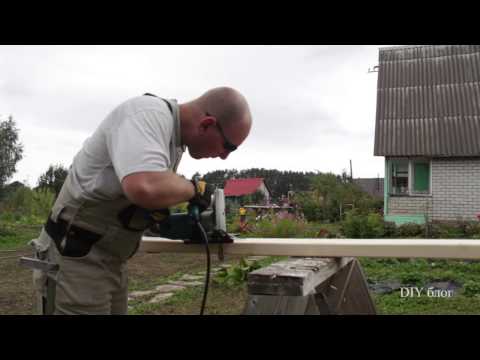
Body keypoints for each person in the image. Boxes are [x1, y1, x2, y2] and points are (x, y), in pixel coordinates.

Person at [30, 87, 252, 315]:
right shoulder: (146, 115)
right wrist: (193, 189)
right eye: (229, 147)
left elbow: (142, 200)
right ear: (206, 124)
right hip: (76, 256)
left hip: (109, 258)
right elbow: (144, 187)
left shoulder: (172, 142)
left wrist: (176, 223)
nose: (225, 156)